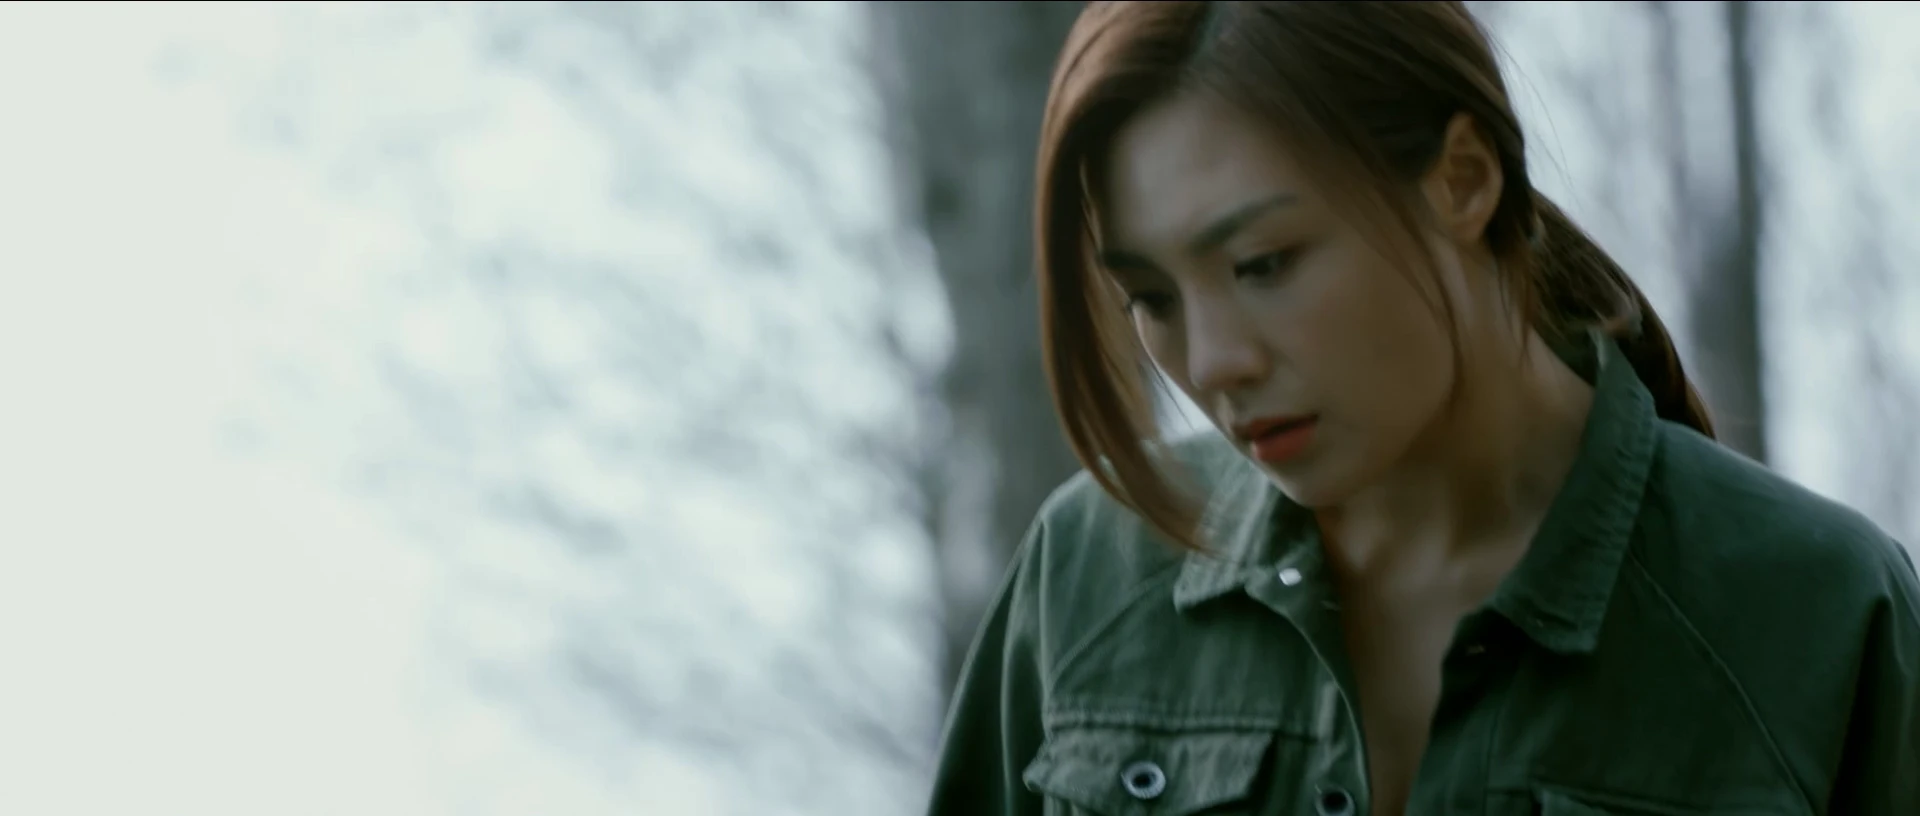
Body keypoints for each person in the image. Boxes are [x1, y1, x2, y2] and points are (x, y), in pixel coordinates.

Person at [923, 2, 1920, 814]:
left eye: (1264, 264)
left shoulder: (1820, 614)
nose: (1214, 361)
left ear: (1463, 181)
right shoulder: (1089, 574)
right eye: (1151, 297)